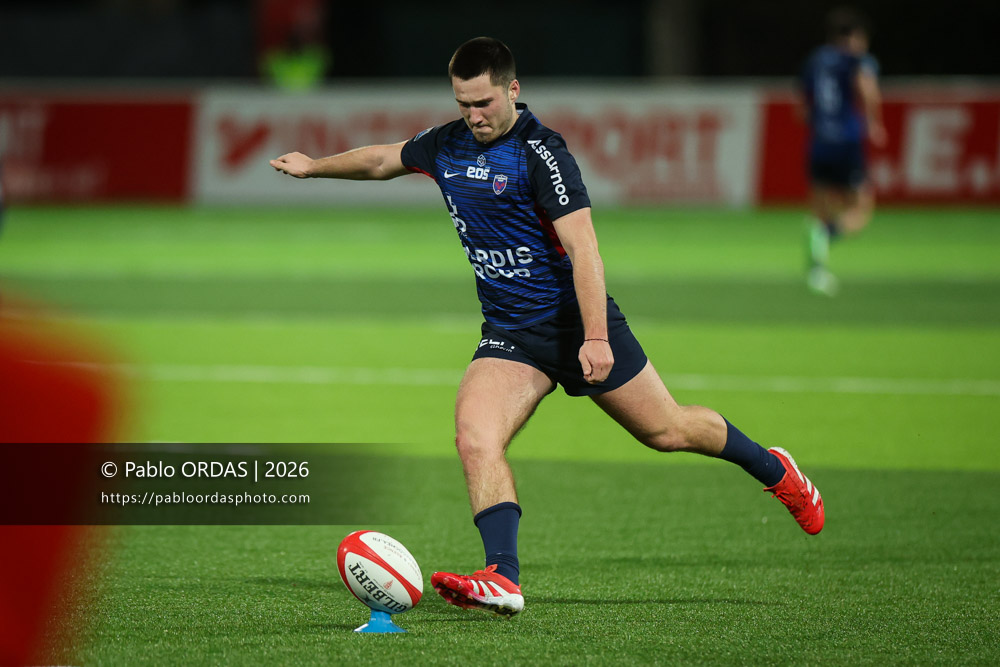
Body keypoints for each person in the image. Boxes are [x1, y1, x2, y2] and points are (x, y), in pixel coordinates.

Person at [270, 37, 825, 618]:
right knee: (475, 437)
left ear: (513, 89)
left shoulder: (542, 152)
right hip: (511, 333)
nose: (474, 115)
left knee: (667, 431)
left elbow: (584, 249)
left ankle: (773, 467)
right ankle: (501, 577)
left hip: (575, 324)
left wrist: (595, 337)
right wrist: (315, 168)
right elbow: (386, 158)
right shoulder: (447, 144)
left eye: (484, 101)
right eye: (463, 103)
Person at [799, 8, 886, 296]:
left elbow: (801, 109)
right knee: (861, 209)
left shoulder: (814, 61)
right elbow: (868, 89)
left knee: (820, 210)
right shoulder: (857, 60)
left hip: (819, 142)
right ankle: (826, 236)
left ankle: (816, 272)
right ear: (854, 37)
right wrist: (874, 122)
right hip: (847, 142)